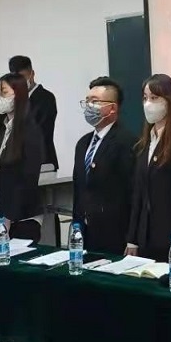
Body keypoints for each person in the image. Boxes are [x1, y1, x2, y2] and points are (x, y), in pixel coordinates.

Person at [126, 74, 171, 264]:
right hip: (144, 238)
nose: (148, 103)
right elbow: (138, 195)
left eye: (154, 98)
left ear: (169, 101)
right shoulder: (144, 144)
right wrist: (132, 238)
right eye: (145, 98)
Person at [72, 77, 136, 255]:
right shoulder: (83, 144)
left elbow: (133, 194)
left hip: (114, 236)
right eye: (87, 101)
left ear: (112, 108)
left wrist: (132, 238)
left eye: (95, 101)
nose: (89, 106)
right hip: (84, 235)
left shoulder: (127, 142)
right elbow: (79, 189)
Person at [0, 73, 45, 243]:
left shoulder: (31, 131)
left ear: (18, 94)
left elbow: (28, 179)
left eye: (3, 92)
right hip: (1, 217)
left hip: (24, 217)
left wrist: (8, 218)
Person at [9, 56, 58, 170]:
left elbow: (41, 131)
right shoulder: (12, 100)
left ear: (32, 74)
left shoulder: (46, 98)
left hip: (42, 162)